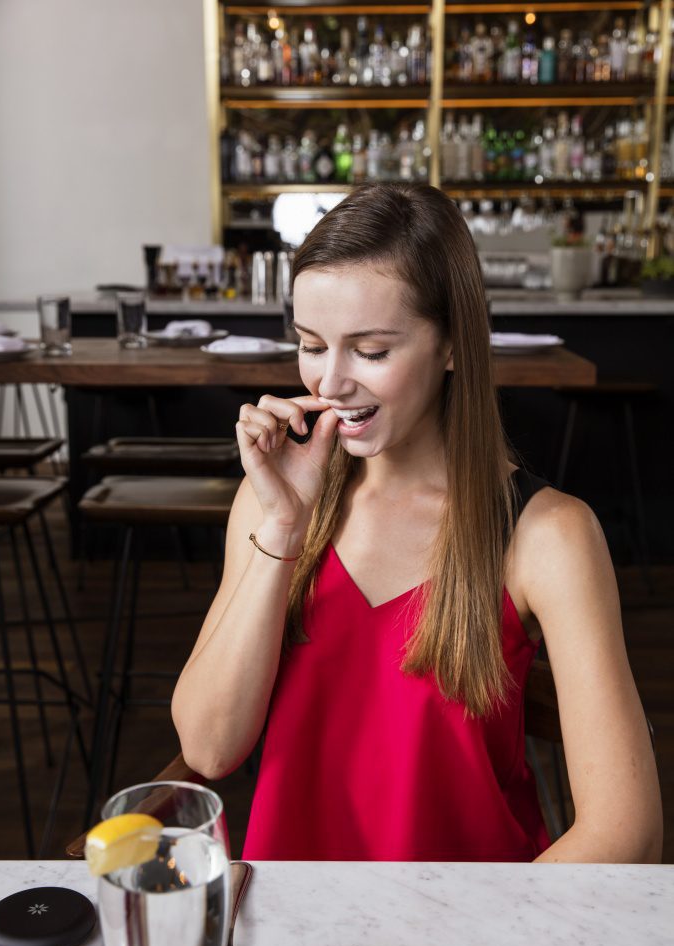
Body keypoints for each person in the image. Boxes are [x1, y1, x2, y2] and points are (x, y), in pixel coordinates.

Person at [171, 183, 662, 863]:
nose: (328, 384)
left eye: (370, 351)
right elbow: (208, 746)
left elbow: (625, 829)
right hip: (297, 928)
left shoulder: (547, 536)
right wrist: (283, 532)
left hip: (481, 938)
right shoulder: (271, 507)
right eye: (311, 345)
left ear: (453, 346)